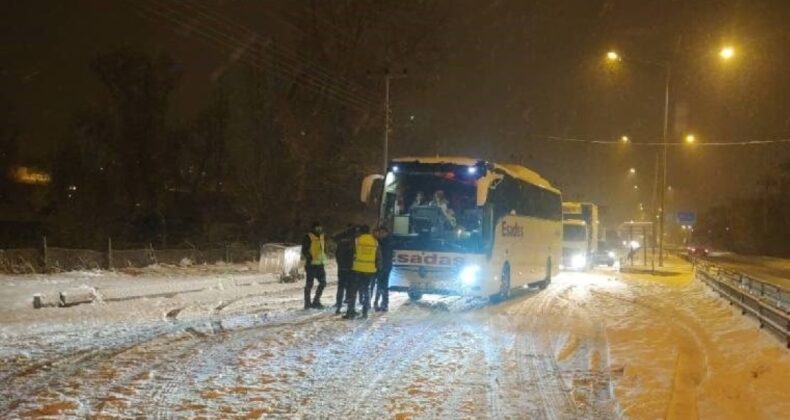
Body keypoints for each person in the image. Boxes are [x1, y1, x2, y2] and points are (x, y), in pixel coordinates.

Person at [345, 225, 381, 320]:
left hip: (357, 269)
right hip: (369, 271)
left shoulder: (356, 240)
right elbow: (379, 257)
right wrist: (378, 269)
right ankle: (365, 313)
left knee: (353, 291)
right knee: (366, 291)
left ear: (360, 231)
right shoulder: (375, 241)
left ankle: (351, 312)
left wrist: (348, 266)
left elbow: (349, 254)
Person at [301, 221, 327, 309]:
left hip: (320, 264)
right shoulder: (308, 237)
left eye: (320, 227)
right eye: (317, 227)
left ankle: (316, 301)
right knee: (309, 284)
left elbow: (323, 249)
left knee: (323, 283)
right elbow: (304, 249)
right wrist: (310, 257)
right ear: (313, 228)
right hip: (311, 265)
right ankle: (307, 304)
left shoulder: (322, 236)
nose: (319, 229)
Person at [331, 224, 356, 314]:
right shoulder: (355, 238)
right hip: (351, 267)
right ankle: (349, 306)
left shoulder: (341, 237)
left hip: (341, 266)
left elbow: (333, 237)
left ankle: (338, 305)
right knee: (350, 287)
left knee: (341, 286)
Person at [374, 226, 393, 312]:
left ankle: (384, 303)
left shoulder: (386, 242)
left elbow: (385, 256)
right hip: (383, 266)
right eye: (379, 233)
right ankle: (380, 303)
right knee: (381, 285)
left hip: (385, 267)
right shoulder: (381, 241)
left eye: (382, 233)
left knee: (383, 285)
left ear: (386, 233)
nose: (380, 234)